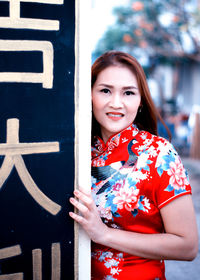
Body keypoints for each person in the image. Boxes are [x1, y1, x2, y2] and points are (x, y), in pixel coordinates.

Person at [69, 51, 198, 280]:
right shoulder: (76, 153)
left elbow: (187, 246)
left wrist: (104, 234)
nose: (116, 103)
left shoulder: (159, 154)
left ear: (140, 101)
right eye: (105, 90)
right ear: (89, 95)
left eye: (128, 92)